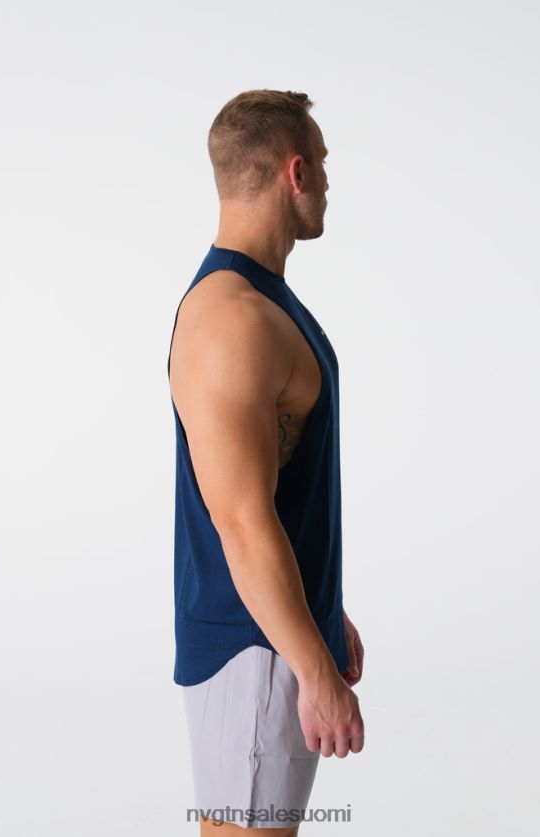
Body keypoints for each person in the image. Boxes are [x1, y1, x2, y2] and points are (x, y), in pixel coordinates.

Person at [167, 89, 365, 835]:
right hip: (253, 653)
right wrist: (312, 666)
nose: (328, 182)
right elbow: (242, 520)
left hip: (274, 639)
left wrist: (322, 608)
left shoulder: (263, 301)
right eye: (322, 163)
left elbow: (276, 484)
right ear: (295, 172)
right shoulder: (233, 318)